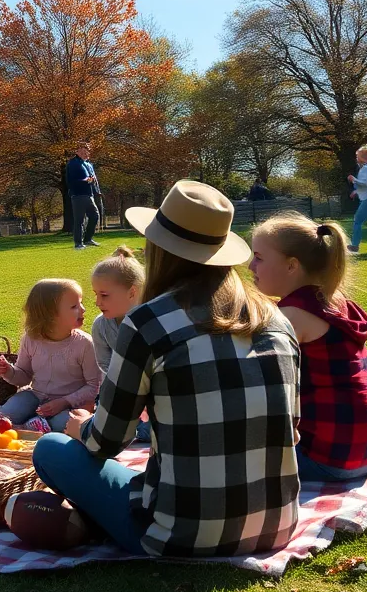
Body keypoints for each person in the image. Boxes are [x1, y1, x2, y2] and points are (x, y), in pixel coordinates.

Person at [33, 180, 300, 557]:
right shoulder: (276, 318)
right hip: (277, 526)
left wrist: (82, 429)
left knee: (51, 448)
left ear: (158, 250)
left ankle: (92, 522)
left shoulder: (148, 322)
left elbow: (107, 440)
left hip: (182, 534)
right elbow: (292, 428)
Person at [250, 213, 367, 482]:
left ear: (292, 266)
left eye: (259, 257)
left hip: (329, 460)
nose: (250, 265)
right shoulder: (333, 300)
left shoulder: (292, 315)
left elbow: (256, 384)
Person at [0, 279, 102, 432]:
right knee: (9, 413)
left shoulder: (85, 344)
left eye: (80, 303)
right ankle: (34, 423)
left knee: (69, 423)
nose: (83, 310)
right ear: (50, 314)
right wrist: (8, 371)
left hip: (70, 404)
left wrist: (64, 402)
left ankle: (38, 425)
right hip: (36, 397)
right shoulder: (31, 339)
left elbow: (93, 387)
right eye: (74, 306)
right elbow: (24, 376)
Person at [89, 246, 149, 442]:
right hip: (119, 389)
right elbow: (104, 363)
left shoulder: (150, 322)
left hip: (152, 392)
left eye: (104, 295)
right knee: (104, 427)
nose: (97, 302)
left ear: (132, 292)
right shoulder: (101, 325)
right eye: (95, 294)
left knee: (148, 431)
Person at [66, 142, 101, 250]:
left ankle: (88, 239)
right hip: (78, 195)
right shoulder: (72, 164)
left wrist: (97, 191)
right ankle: (78, 243)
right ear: (77, 152)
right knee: (79, 220)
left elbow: (93, 179)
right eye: (82, 151)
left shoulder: (88, 164)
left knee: (95, 216)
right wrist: (85, 180)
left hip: (89, 194)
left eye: (87, 151)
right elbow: (71, 181)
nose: (85, 153)